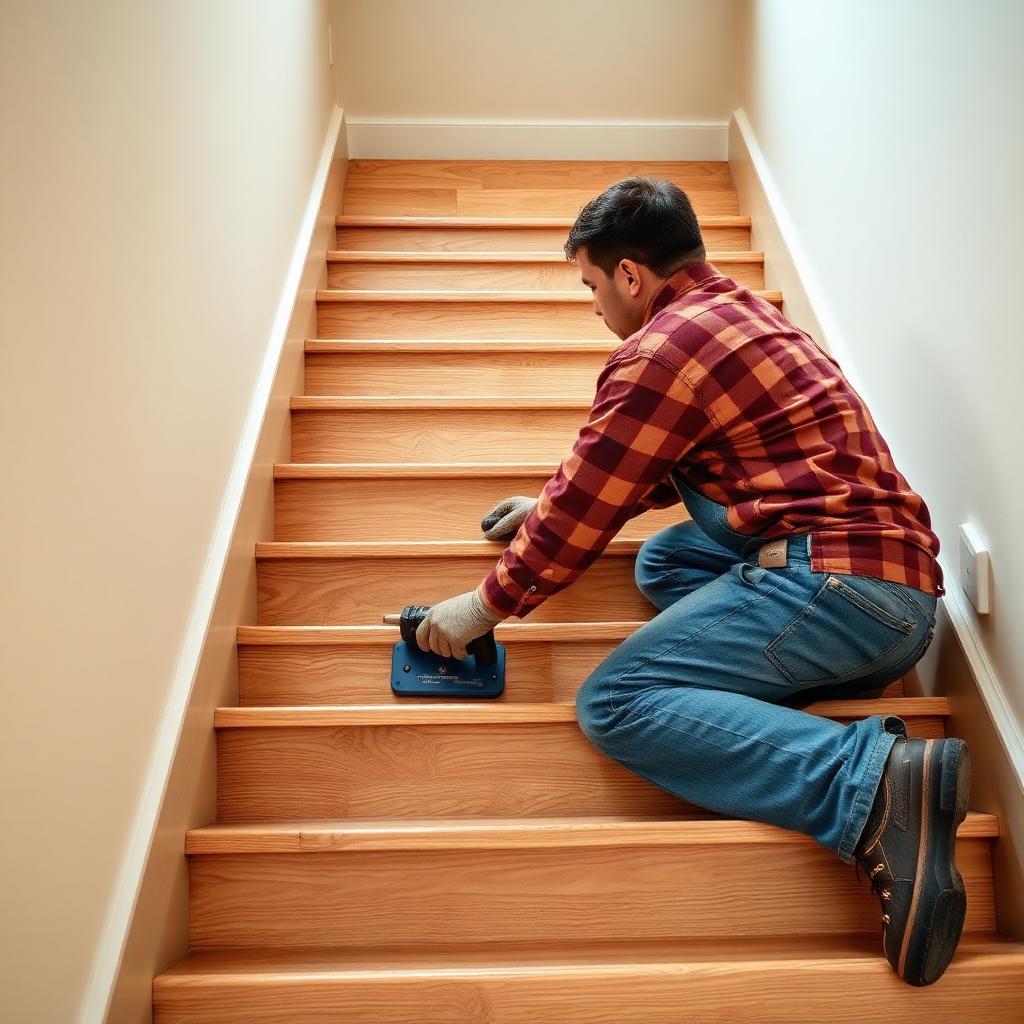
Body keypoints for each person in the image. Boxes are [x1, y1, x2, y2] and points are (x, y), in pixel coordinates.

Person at [412, 176, 970, 987]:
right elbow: (674, 460)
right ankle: (788, 670)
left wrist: (481, 606)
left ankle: (869, 780)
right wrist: (548, 503)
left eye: (592, 286)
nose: (595, 307)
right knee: (663, 560)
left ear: (630, 275)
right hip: (894, 591)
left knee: (617, 703)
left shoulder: (656, 353)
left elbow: (584, 511)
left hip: (844, 588)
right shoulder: (743, 316)